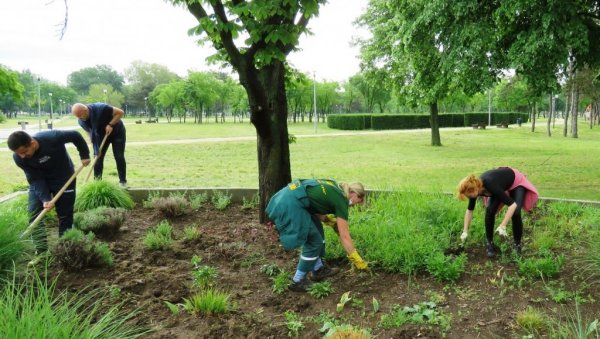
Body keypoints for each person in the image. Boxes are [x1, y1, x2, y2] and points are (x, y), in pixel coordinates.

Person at [266, 178, 368, 292]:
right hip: (290, 204)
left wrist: (327, 220)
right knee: (314, 241)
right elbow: (345, 236)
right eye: (358, 201)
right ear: (353, 193)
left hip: (289, 197)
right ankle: (298, 281)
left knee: (318, 231)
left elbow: (315, 204)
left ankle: (318, 269)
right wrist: (356, 258)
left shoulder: (335, 187)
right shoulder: (341, 200)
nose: (355, 205)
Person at [7, 130, 90, 253]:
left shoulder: (52, 138)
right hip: (40, 181)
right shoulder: (19, 158)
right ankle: (41, 251)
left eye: (24, 152)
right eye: (19, 154)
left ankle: (64, 248)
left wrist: (84, 155)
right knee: (34, 214)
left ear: (33, 143)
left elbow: (75, 135)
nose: (22, 156)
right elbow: (35, 179)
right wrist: (45, 199)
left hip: (64, 177)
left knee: (65, 214)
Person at [457, 167, 539, 257]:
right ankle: (490, 243)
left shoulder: (490, 184)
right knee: (490, 210)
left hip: (516, 182)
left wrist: (502, 226)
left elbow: (512, 205)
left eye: (468, 195)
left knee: (516, 212)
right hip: (500, 185)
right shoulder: (475, 189)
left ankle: (517, 244)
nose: (469, 198)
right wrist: (465, 231)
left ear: (474, 189)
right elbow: (469, 210)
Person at [71, 102, 127, 188]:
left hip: (117, 132)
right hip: (101, 135)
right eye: (78, 117)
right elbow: (90, 133)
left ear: (86, 110)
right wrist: (96, 148)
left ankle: (122, 182)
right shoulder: (81, 121)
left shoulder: (101, 108)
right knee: (97, 157)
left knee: (119, 156)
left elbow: (120, 112)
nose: (80, 118)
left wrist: (110, 124)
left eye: (81, 116)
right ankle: (97, 183)